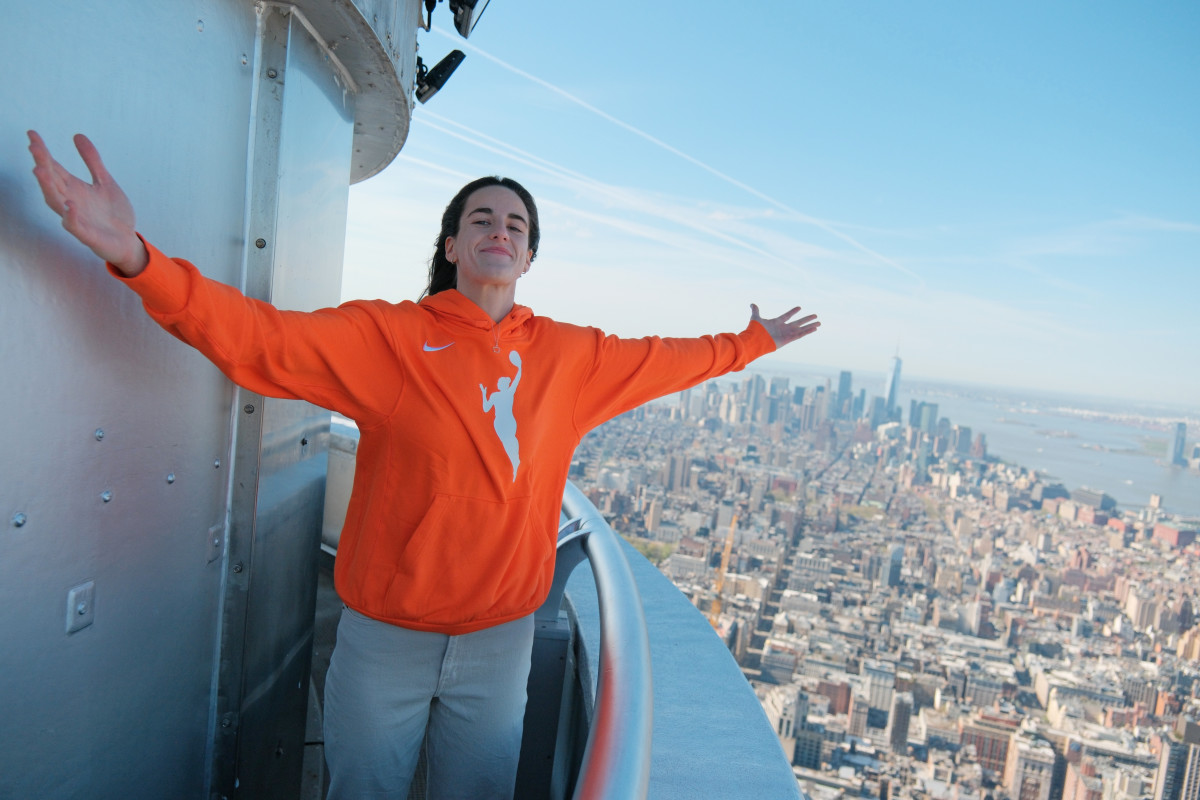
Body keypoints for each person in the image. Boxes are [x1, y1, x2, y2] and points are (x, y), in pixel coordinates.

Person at [28, 131, 820, 799]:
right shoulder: (393, 338)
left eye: (515, 222)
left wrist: (752, 343)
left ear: (530, 255)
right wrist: (135, 256)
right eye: (481, 218)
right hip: (385, 641)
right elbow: (258, 341)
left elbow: (665, 360)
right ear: (452, 246)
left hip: (501, 643)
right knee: (363, 789)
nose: (499, 229)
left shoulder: (573, 358)